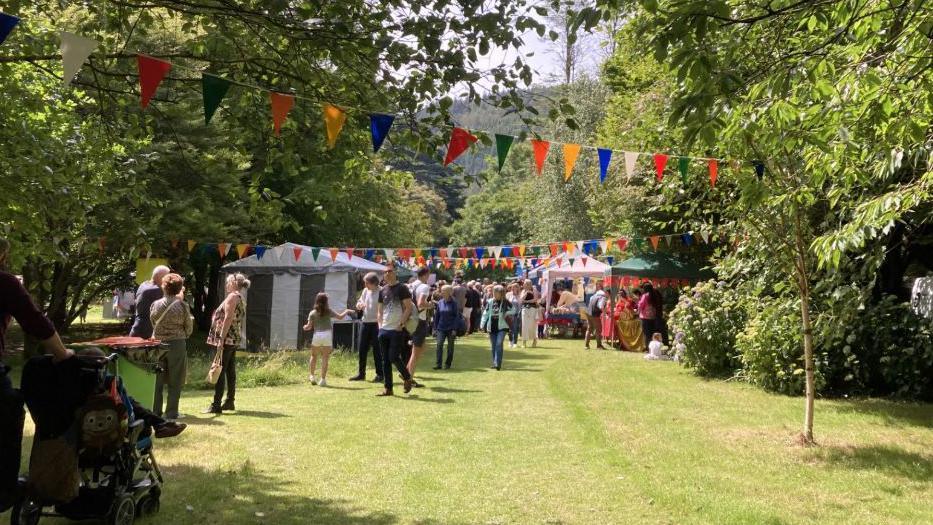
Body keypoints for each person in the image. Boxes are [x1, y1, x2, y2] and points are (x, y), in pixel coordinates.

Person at [0, 239, 75, 512]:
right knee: (9, 412)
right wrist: (62, 354)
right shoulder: (5, 283)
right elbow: (34, 321)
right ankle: (4, 489)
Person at [203, 273, 249, 414]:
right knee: (230, 371)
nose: (226, 285)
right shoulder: (240, 297)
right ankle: (229, 401)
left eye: (228, 282)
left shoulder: (232, 297)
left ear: (235, 283)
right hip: (233, 339)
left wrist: (221, 339)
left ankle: (216, 405)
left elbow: (228, 318)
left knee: (220, 370)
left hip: (227, 339)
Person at [150, 273, 193, 420]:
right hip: (177, 344)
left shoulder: (155, 304)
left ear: (164, 286)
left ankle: (155, 411)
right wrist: (182, 335)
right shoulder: (182, 305)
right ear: (179, 288)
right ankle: (172, 412)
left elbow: (153, 323)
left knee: (157, 380)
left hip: (158, 344)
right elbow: (189, 327)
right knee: (176, 379)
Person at [376, 262, 414, 396]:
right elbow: (379, 310)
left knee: (393, 357)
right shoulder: (382, 290)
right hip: (383, 329)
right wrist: (380, 326)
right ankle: (388, 389)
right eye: (385, 272)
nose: (387, 273)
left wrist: (401, 324)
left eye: (390, 271)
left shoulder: (402, 288)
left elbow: (409, 308)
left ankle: (407, 377)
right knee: (385, 360)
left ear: (395, 272)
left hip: (397, 329)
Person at [303, 293, 353, 387]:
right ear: (326, 302)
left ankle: (312, 376)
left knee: (313, 356)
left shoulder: (312, 313)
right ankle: (322, 380)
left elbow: (308, 327)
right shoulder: (328, 311)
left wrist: (304, 327)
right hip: (327, 335)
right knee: (325, 357)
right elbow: (340, 317)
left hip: (317, 335)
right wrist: (346, 311)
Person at [350, 272, 383, 382]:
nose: (365, 285)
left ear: (373, 283)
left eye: (366, 283)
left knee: (377, 350)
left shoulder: (381, 291)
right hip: (365, 322)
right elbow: (360, 301)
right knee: (362, 349)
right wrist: (359, 305)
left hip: (376, 324)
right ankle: (361, 373)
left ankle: (380, 374)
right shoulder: (365, 291)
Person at [406, 266, 432, 385]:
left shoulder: (410, 285)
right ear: (425, 274)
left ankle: (407, 373)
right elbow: (421, 303)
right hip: (419, 320)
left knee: (419, 349)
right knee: (416, 352)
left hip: (409, 319)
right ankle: (408, 377)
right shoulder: (424, 286)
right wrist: (430, 305)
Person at [129, 265, 170, 338]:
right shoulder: (155, 290)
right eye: (167, 277)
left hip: (139, 328)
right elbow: (173, 301)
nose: (169, 280)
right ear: (161, 277)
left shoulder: (144, 284)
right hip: (146, 333)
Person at [481, 285, 513, 370]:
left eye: (496, 292)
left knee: (499, 343)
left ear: (501, 293)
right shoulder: (490, 301)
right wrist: (482, 324)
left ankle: (498, 364)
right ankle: (495, 363)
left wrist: (506, 313)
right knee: (494, 345)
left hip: (502, 327)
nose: (494, 293)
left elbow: (514, 309)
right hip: (492, 326)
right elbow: (486, 313)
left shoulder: (506, 302)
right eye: (494, 292)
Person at [432, 285, 460, 369]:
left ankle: (448, 364)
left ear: (449, 292)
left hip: (451, 328)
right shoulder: (440, 302)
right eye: (441, 291)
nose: (442, 292)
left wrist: (455, 329)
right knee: (439, 345)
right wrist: (435, 328)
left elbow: (456, 317)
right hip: (441, 327)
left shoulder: (454, 303)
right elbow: (437, 316)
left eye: (444, 291)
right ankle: (438, 364)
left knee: (450, 347)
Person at [585, 281, 607, 350]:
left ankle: (586, 345)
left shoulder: (593, 296)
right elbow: (600, 306)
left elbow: (590, 304)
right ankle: (599, 346)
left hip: (588, 313)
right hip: (595, 314)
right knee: (598, 330)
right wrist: (604, 313)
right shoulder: (602, 297)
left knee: (589, 329)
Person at [637, 283, 659, 352]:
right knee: (652, 332)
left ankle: (647, 348)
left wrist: (638, 310)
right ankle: (653, 348)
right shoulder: (655, 295)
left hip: (645, 316)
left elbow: (641, 305)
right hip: (653, 316)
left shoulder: (645, 296)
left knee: (647, 334)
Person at [520, 280, 539, 348]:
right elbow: (521, 299)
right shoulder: (523, 291)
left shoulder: (534, 290)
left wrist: (526, 301)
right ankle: (524, 342)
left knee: (532, 325)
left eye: (527, 284)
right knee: (524, 325)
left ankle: (534, 340)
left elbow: (535, 299)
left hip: (533, 309)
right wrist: (526, 293)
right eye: (525, 284)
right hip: (524, 309)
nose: (525, 285)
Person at [505, 282, 522, 349]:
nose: (514, 288)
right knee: (510, 329)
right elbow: (505, 303)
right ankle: (510, 341)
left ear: (518, 288)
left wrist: (518, 296)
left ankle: (515, 342)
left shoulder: (520, 295)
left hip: (516, 314)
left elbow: (520, 304)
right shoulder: (508, 294)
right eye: (513, 287)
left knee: (515, 328)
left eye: (516, 287)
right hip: (509, 314)